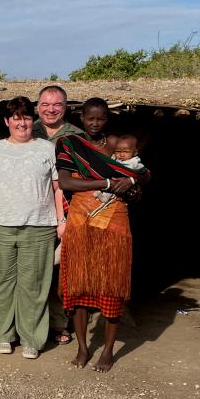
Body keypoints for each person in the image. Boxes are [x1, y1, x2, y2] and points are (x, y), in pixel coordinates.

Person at [56, 98, 150, 372]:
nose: (95, 123)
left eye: (100, 119)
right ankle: (83, 348)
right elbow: (66, 182)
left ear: (107, 119)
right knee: (79, 283)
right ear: (81, 118)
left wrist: (130, 181)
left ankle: (108, 350)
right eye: (90, 119)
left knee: (111, 284)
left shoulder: (117, 145)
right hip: (80, 218)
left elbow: (142, 174)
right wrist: (109, 182)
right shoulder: (69, 144)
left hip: (114, 220)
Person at [0, 98, 64, 360]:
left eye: (26, 117)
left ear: (33, 120)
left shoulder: (47, 149)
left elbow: (57, 187)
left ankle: (31, 338)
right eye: (16, 118)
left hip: (39, 225)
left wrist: (61, 221)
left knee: (35, 285)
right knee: (1, 283)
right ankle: (3, 335)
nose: (22, 123)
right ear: (7, 122)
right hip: (2, 225)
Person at [32, 84, 82, 344]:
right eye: (46, 104)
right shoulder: (29, 130)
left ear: (66, 107)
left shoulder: (76, 136)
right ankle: (31, 324)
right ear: (37, 107)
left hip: (65, 213)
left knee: (61, 271)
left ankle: (59, 323)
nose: (51, 109)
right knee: (34, 270)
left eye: (57, 105)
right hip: (33, 213)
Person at [93, 134, 146, 212]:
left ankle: (105, 198)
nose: (121, 154)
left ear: (135, 152)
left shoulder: (135, 161)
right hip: (113, 181)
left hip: (126, 185)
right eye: (118, 151)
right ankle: (104, 196)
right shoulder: (116, 159)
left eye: (125, 152)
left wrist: (132, 179)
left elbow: (142, 173)